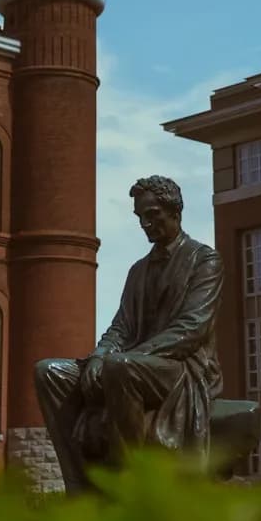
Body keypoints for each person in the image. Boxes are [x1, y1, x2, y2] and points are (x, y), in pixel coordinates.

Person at [34, 175, 223, 493]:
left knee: (120, 366)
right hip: (131, 365)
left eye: (152, 215)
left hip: (181, 368)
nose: (145, 224)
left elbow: (192, 328)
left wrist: (126, 358)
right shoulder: (138, 270)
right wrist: (98, 356)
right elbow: (121, 326)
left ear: (175, 211)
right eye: (140, 217)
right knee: (49, 372)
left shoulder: (204, 261)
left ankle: (132, 486)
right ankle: (81, 487)